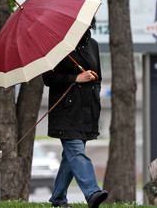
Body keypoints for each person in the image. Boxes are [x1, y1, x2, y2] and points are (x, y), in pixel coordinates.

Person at [42, 18, 108, 208]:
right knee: (76, 151)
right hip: (66, 111)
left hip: (87, 111)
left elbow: (98, 79)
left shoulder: (93, 45)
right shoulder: (58, 46)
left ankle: (58, 199)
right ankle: (92, 191)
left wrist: (93, 86)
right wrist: (75, 78)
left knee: (69, 157)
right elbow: (49, 78)